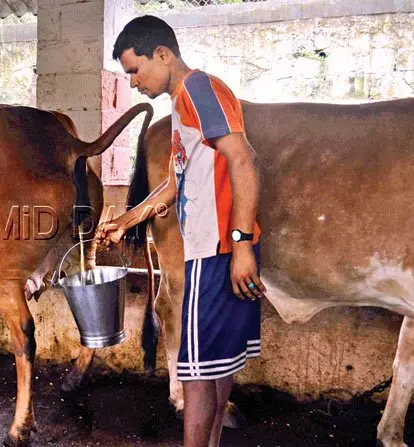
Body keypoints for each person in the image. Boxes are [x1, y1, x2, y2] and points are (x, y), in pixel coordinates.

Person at [97, 15, 266, 447]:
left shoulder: (198, 89)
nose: (133, 82)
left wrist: (241, 244)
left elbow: (244, 160)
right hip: (219, 250)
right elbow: (175, 184)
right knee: (217, 365)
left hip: (216, 251)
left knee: (193, 373)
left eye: (135, 70)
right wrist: (126, 221)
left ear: (163, 54)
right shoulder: (182, 105)